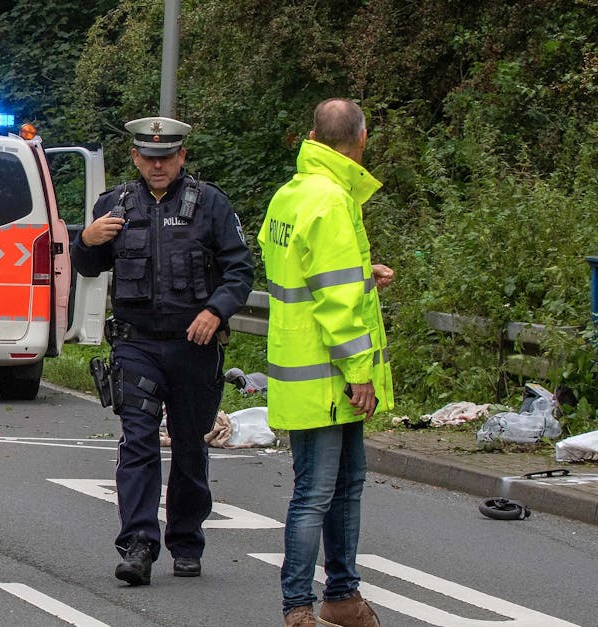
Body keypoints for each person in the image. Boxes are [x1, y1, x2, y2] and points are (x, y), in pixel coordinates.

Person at [71, 116, 253, 586]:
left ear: (181, 157)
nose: (158, 166)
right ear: (135, 157)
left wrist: (215, 311)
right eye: (149, 157)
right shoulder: (115, 204)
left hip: (195, 345)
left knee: (190, 447)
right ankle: (138, 545)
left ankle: (187, 541)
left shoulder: (210, 204)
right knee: (138, 442)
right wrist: (85, 241)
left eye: (167, 157)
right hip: (137, 345)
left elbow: (240, 271)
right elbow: (87, 266)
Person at [261, 98, 393, 627]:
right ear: (362, 138)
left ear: (312, 137)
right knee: (321, 492)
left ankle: (341, 595)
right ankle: (299, 605)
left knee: (338, 486)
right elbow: (336, 303)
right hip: (330, 373)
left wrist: (363, 275)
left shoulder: (290, 194)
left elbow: (300, 272)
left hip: (298, 364)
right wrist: (360, 373)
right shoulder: (334, 200)